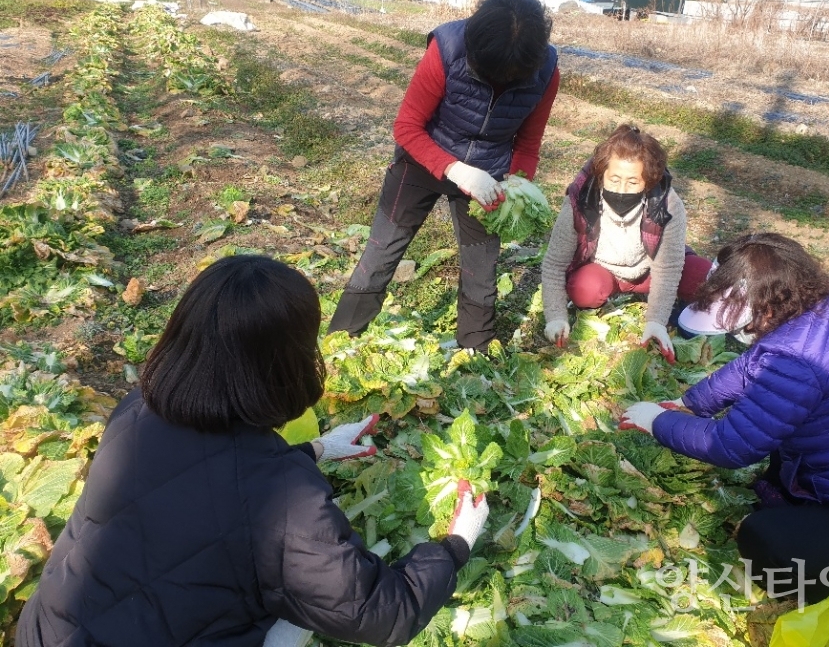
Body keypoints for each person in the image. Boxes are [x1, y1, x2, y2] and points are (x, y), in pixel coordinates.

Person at [17, 255, 490, 647]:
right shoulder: (284, 497)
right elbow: (382, 613)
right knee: (298, 618)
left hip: (47, 632)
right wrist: (455, 546)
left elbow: (201, 492)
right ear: (286, 365)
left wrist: (316, 450)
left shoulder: (136, 409)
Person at [618, 233, 829, 604]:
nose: (737, 333)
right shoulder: (817, 312)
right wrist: (689, 402)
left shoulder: (797, 364)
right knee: (778, 437)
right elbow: (753, 366)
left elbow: (729, 446)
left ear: (764, 308)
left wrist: (656, 422)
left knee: (764, 539)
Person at [327, 0, 560, 351]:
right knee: (382, 250)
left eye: (512, 75)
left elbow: (528, 143)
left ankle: (475, 353)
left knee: (481, 270)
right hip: (423, 158)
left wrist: (515, 181)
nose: (503, 81)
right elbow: (407, 128)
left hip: (488, 174)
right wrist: (455, 169)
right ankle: (340, 342)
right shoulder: (448, 49)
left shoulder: (545, 70)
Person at [540, 125, 712, 359]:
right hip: (605, 272)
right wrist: (556, 316)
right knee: (585, 288)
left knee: (703, 276)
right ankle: (598, 307)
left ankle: (677, 316)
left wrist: (656, 320)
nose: (621, 190)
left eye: (633, 182)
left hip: (649, 271)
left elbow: (668, 268)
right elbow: (554, 265)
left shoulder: (668, 205)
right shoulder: (581, 201)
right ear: (602, 175)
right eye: (614, 179)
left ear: (649, 181)